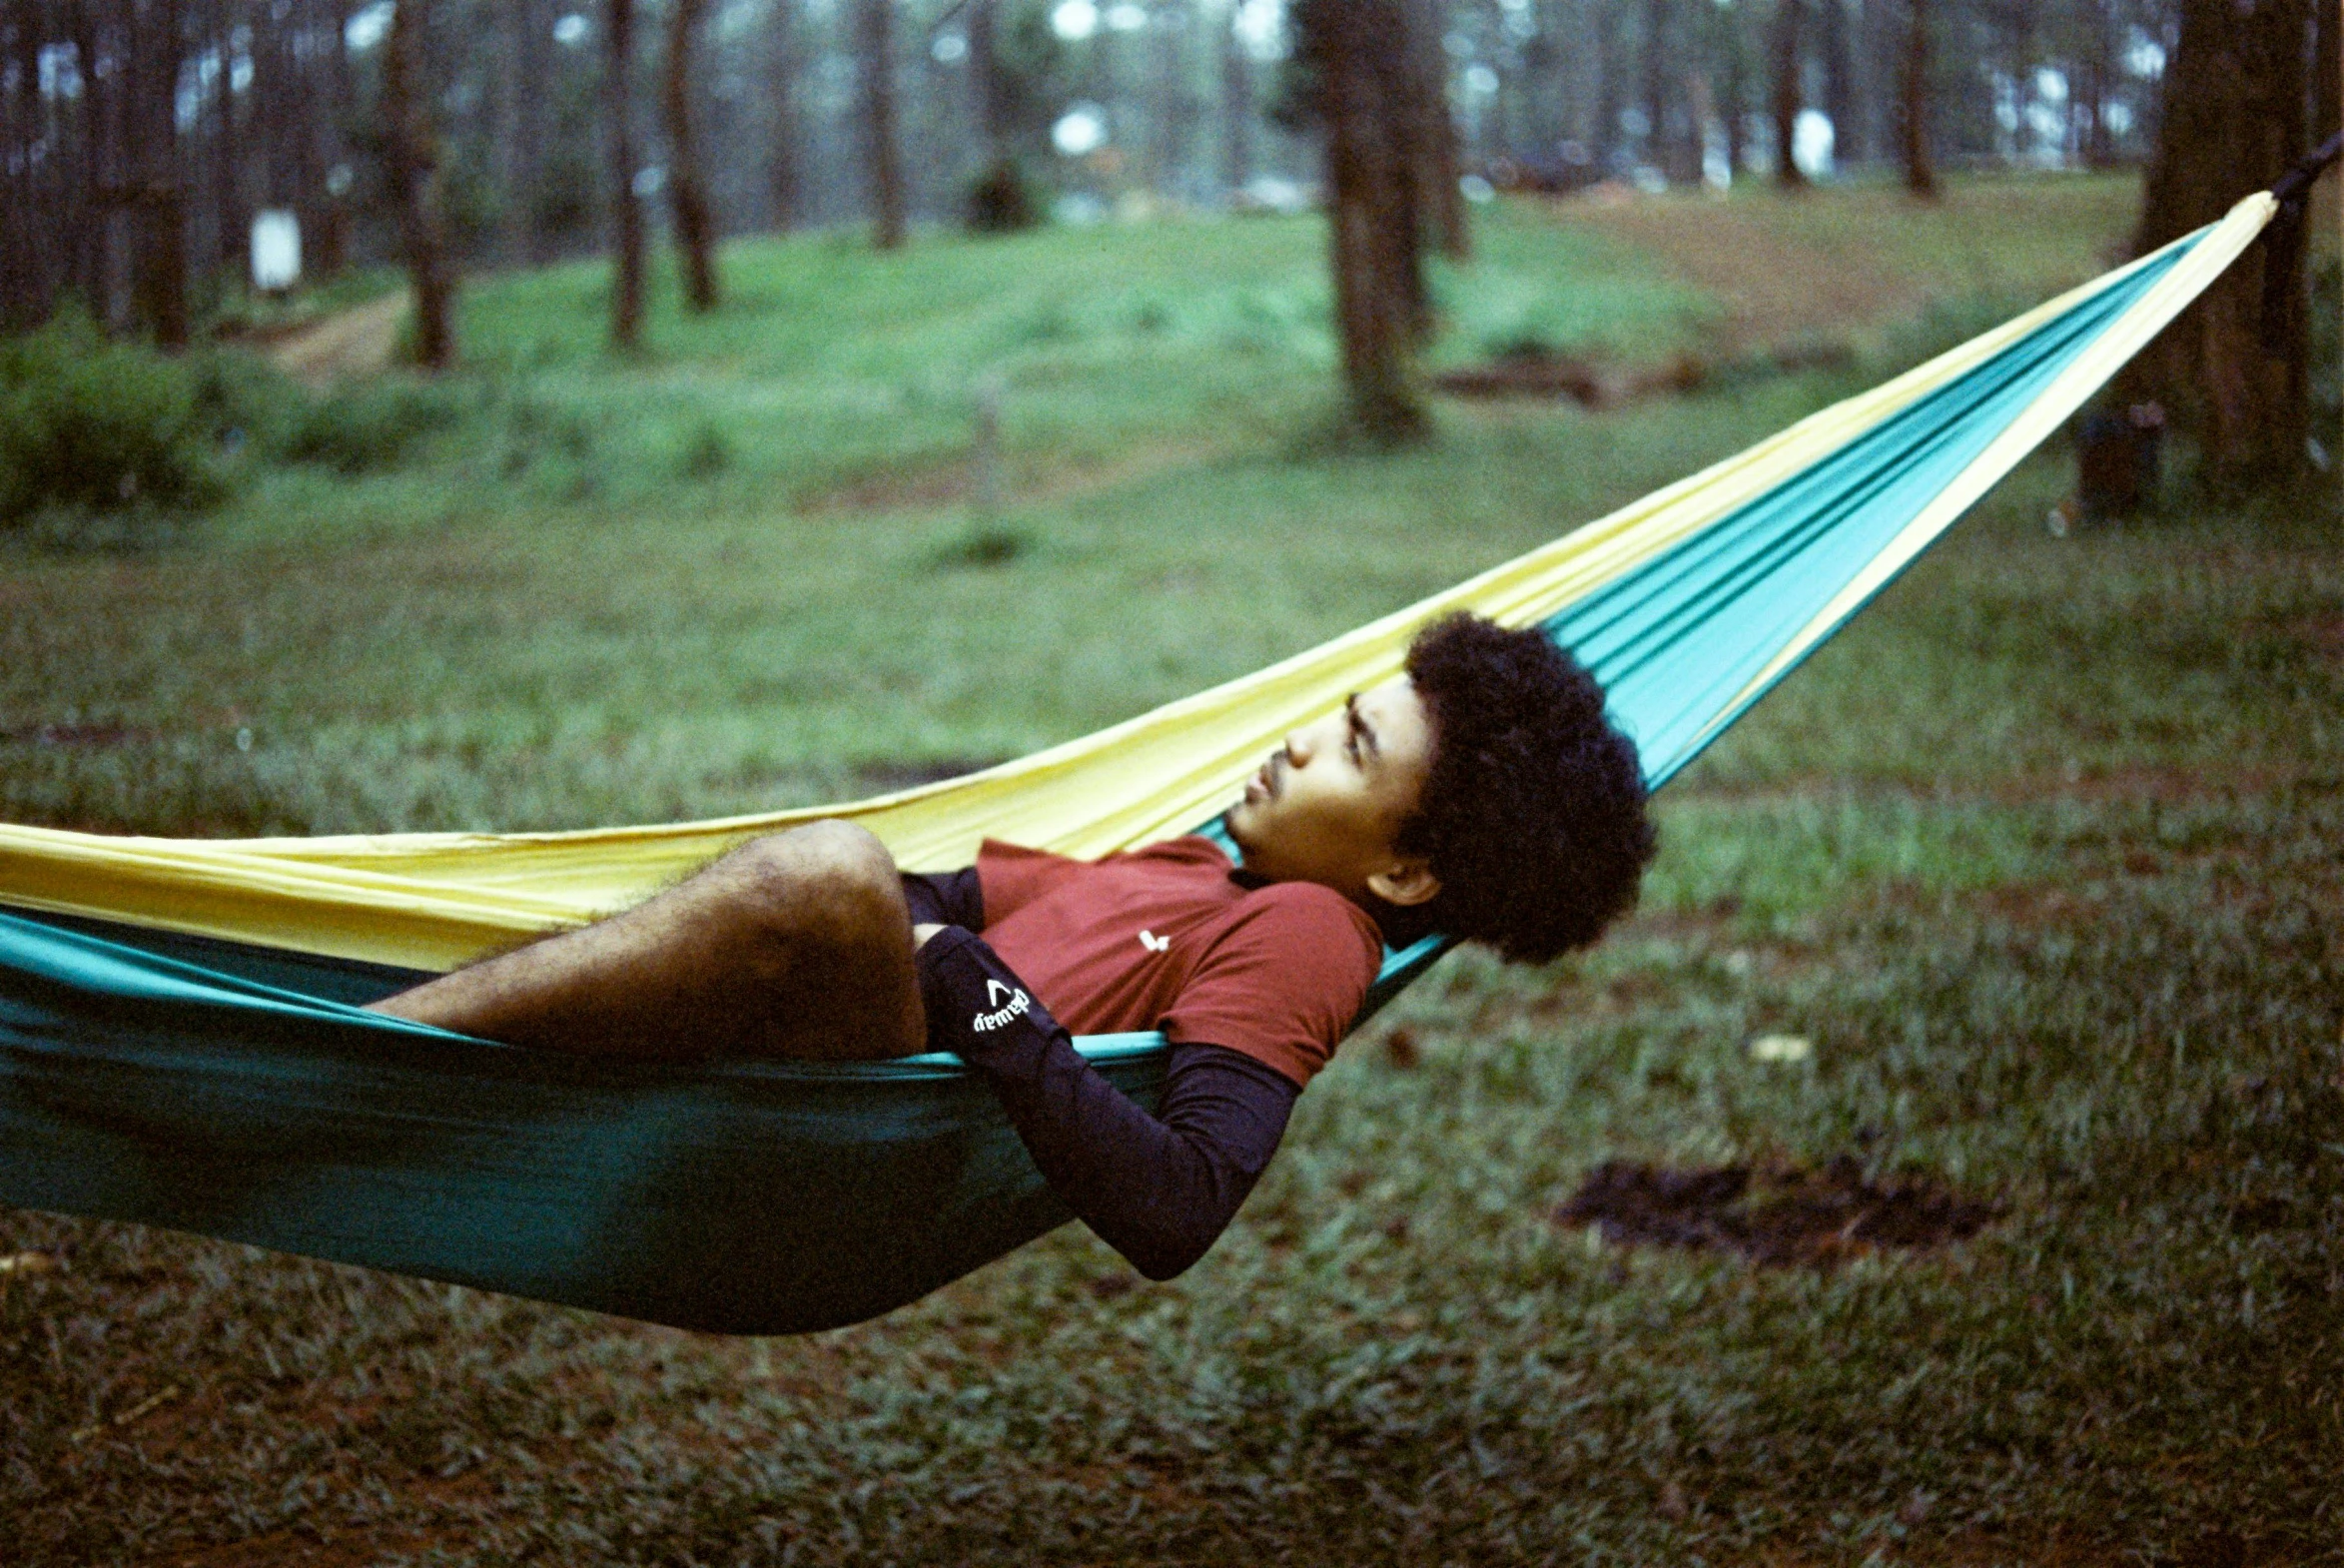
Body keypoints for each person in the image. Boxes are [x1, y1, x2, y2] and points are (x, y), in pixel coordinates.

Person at [370, 613, 1657, 1281]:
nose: (1302, 743)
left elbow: (1179, 1205)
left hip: (874, 1150)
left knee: (827, 874)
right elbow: (949, 896)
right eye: (1338, 718)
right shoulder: (1202, 865)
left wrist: (972, 994)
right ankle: (349, 1027)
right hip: (793, 1079)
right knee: (767, 882)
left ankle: (364, 1057)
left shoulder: (1309, 930)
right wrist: (937, 944)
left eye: (1354, 751)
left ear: (1406, 871)